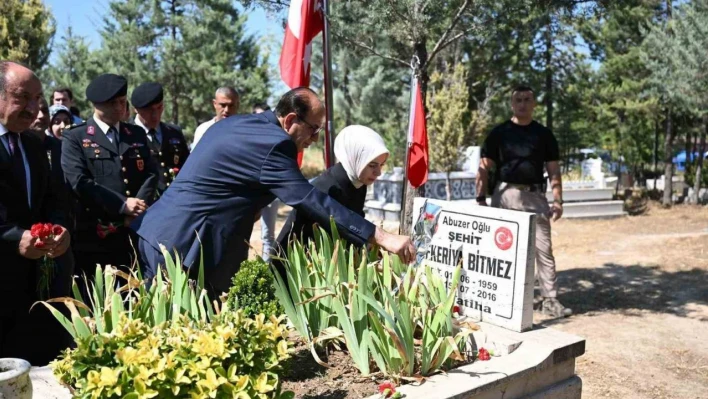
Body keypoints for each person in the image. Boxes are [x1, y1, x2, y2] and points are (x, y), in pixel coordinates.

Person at [132, 87, 415, 298]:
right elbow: (308, 198)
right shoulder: (275, 145)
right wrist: (381, 236)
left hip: (160, 233)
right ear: (291, 119)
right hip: (184, 247)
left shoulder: (238, 124)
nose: (315, 139)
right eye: (314, 130)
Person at [476, 85, 571, 319]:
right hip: (505, 195)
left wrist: (558, 201)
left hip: (535, 198)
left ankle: (550, 300)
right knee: (500, 248)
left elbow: (554, 171)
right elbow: (483, 168)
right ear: (511, 104)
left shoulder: (544, 134)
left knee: (543, 249)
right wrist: (480, 198)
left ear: (534, 103)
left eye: (527, 99)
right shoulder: (499, 133)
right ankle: (500, 298)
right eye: (518, 100)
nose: (522, 104)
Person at [0, 61, 72, 364]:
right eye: (23, 98)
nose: (34, 109)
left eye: (37, 98)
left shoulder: (35, 143)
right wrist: (15, 238)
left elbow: (55, 199)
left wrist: (60, 228)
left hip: (34, 292)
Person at [61, 73, 158, 281]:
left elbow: (151, 172)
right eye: (113, 103)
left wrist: (138, 206)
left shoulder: (136, 134)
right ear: (98, 105)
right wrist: (122, 205)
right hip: (96, 236)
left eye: (123, 102)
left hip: (136, 231)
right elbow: (78, 181)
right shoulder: (76, 136)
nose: (120, 108)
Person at [276, 125, 389, 267]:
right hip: (297, 268)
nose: (378, 172)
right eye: (372, 165)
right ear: (354, 158)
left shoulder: (358, 182)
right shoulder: (328, 187)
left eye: (381, 165)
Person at [131, 82, 190, 196]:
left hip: (174, 200)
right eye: (149, 110)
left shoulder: (174, 132)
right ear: (136, 110)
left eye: (159, 108)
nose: (155, 115)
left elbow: (186, 167)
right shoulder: (127, 135)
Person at [252, 102, 279, 262]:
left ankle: (267, 271)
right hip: (250, 194)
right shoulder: (245, 139)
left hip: (270, 193)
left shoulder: (275, 139)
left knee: (268, 236)